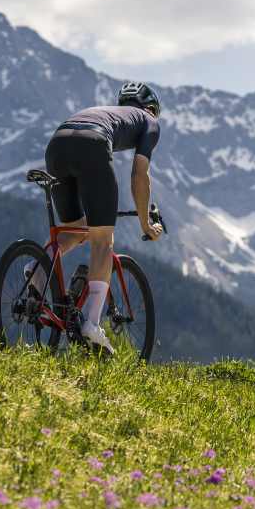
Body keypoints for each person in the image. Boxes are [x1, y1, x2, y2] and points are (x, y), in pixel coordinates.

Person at [27, 81, 164, 354]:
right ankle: (91, 324)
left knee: (77, 229)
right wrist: (145, 223)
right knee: (103, 239)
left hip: (57, 144)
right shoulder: (148, 121)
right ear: (150, 108)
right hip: (92, 144)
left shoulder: (109, 112)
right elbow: (140, 176)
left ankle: (38, 268)